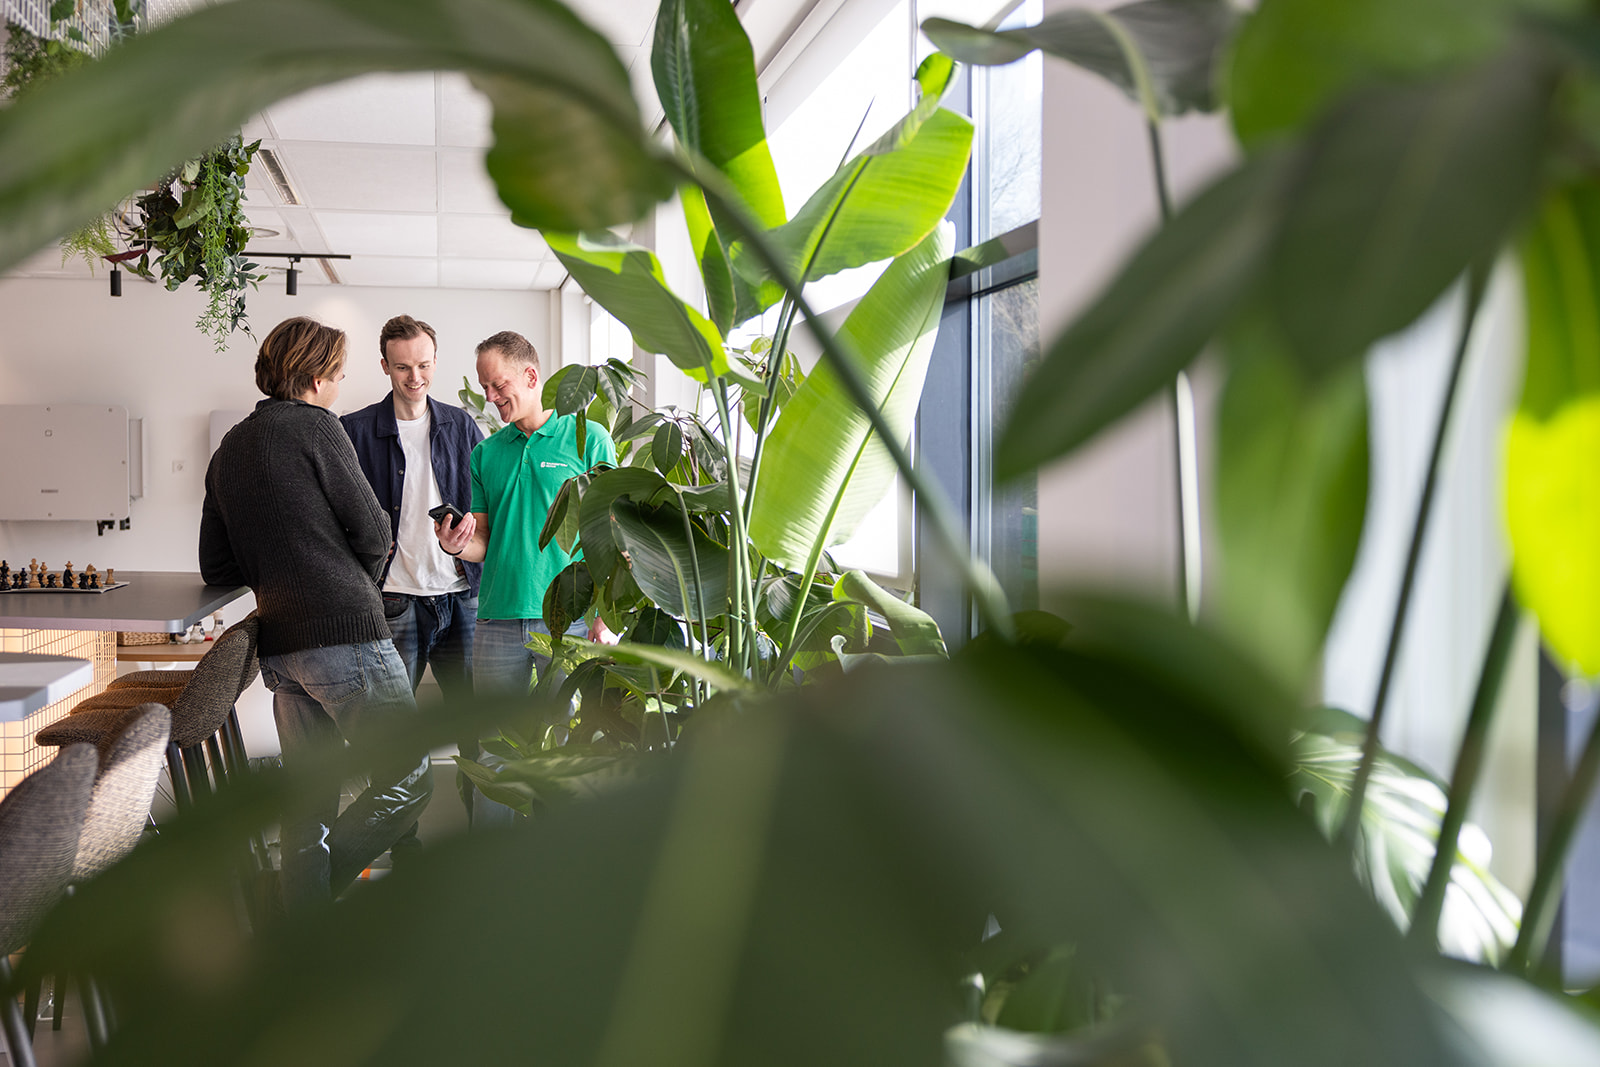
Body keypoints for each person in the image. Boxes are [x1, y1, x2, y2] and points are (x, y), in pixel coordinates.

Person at [200, 316, 432, 910]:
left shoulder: (229, 449)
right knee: (409, 780)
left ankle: (295, 933)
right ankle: (312, 893)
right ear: (314, 375)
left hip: (282, 649)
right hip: (346, 635)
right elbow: (375, 532)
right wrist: (344, 574)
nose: (339, 385)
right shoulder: (317, 428)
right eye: (337, 374)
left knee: (309, 801)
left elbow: (216, 567)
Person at [436, 330, 616, 826]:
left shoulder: (589, 439)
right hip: (495, 620)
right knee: (495, 752)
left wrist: (603, 614)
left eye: (498, 386)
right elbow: (485, 540)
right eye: (485, 387)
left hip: (568, 623)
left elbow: (609, 532)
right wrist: (457, 545)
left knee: (563, 747)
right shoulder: (486, 454)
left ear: (531, 376)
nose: (491, 398)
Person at [340, 315, 482, 701]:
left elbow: (487, 506)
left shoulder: (462, 425)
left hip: (461, 594)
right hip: (392, 598)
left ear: (435, 361)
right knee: (392, 727)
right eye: (402, 367)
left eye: (423, 365)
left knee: (478, 720)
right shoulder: (353, 430)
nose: (414, 377)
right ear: (385, 366)